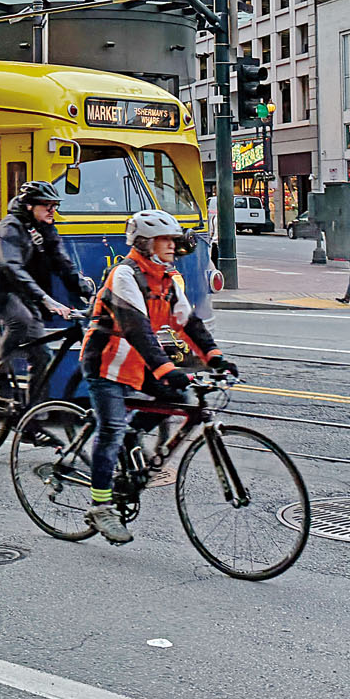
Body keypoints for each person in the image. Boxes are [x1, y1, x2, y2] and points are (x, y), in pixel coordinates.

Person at [79, 210, 237, 544]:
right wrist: (168, 369)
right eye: (166, 239)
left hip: (138, 363)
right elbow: (136, 328)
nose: (173, 245)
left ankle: (131, 436)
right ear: (146, 243)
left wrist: (216, 358)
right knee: (111, 428)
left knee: (178, 400)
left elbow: (188, 322)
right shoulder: (125, 274)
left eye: (174, 239)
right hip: (106, 361)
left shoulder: (165, 278)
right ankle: (100, 505)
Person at [0, 180, 96, 391]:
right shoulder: (9, 228)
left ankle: (32, 417)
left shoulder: (45, 229)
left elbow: (63, 264)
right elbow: (11, 268)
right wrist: (47, 300)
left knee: (43, 355)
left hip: (23, 294)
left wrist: (89, 292)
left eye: (55, 206)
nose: (52, 210)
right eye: (47, 205)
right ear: (29, 206)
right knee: (21, 320)